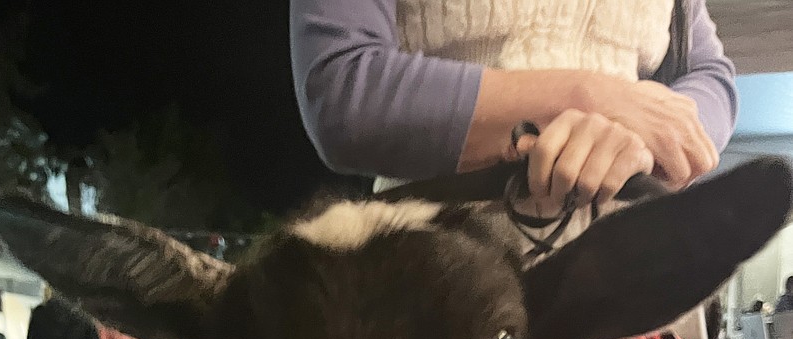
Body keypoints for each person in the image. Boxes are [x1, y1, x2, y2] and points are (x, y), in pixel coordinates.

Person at [291, 0, 737, 240]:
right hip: (433, 274)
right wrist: (593, 99)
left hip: (621, 271)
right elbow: (343, 91)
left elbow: (710, 74)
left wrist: (648, 137)